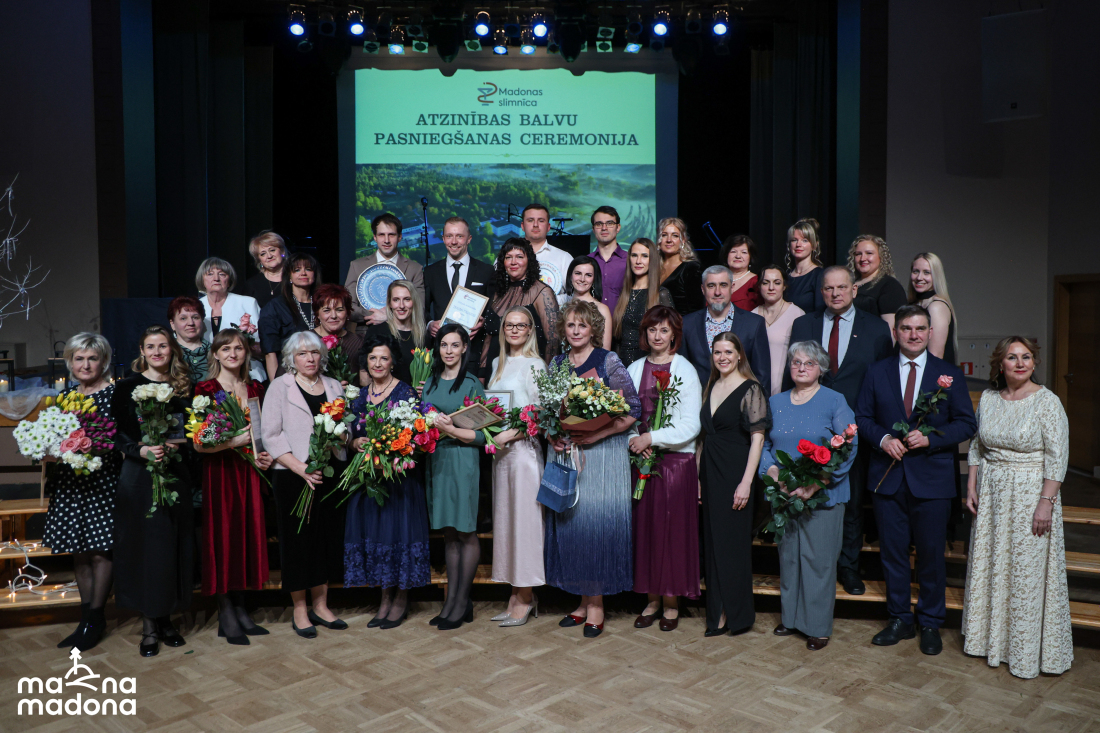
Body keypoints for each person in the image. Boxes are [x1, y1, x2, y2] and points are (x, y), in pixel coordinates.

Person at [855, 305, 975, 655]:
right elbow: (862, 417)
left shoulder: (948, 374)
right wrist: (883, 439)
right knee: (892, 554)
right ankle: (899, 619)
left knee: (931, 554)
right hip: (888, 477)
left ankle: (931, 622)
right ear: (896, 332)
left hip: (932, 479)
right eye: (906, 328)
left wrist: (931, 437)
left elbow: (966, 424)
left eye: (920, 328)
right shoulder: (877, 371)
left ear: (930, 333)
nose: (913, 334)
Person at [963, 337, 1072, 679]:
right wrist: (971, 485)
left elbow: (1058, 457)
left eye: (1026, 357)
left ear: (1034, 363)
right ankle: (989, 642)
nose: (1020, 363)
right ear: (1001, 364)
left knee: (1026, 572)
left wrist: (1045, 503)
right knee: (992, 566)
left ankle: (1024, 652)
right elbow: (977, 447)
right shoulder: (989, 399)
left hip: (1030, 495)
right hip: (992, 496)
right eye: (1012, 357)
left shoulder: (1047, 402)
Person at [786, 266, 893, 595]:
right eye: (829, 288)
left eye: (842, 287)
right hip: (807, 427)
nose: (835, 293)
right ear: (822, 292)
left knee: (850, 499)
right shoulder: (803, 325)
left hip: (852, 430)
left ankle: (848, 567)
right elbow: (794, 372)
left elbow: (883, 382)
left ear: (854, 290)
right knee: (806, 494)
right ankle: (809, 565)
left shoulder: (876, 329)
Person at [545, 300, 641, 638]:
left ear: (593, 330)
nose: (575, 331)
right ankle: (583, 601)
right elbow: (548, 411)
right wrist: (552, 435)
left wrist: (595, 434)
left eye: (582, 325)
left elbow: (632, 409)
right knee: (573, 527)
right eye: (570, 325)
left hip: (601, 457)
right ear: (563, 329)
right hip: (568, 454)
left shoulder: (607, 360)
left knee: (595, 528)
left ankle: (597, 604)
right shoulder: (557, 363)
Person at [761, 340, 858, 650]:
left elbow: (849, 444)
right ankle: (790, 619)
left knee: (818, 562)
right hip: (785, 493)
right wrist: (774, 475)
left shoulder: (834, 400)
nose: (801, 368)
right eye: (796, 362)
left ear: (821, 369)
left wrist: (817, 483)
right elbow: (764, 445)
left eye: (809, 363)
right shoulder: (775, 402)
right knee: (789, 558)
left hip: (823, 494)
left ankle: (816, 627)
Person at [111, 325, 194, 658]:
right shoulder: (127, 386)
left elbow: (191, 430)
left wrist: (179, 445)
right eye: (151, 346)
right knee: (146, 549)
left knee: (170, 546)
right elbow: (117, 433)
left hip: (174, 475)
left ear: (172, 350)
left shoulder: (182, 386)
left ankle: (167, 619)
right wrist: (141, 451)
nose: (157, 352)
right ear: (142, 352)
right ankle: (149, 625)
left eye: (163, 346)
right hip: (139, 476)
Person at [261, 330, 349, 638]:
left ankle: (321, 605)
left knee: (324, 539)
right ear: (291, 358)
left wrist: (343, 434)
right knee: (297, 542)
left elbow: (345, 428)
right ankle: (300, 609)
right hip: (293, 476)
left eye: (314, 352)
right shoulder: (279, 386)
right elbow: (271, 435)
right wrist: (302, 469)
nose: (309, 359)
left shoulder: (334, 385)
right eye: (302, 354)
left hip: (329, 472)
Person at [192, 329, 274, 645]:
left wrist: (262, 455)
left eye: (238, 348)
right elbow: (198, 444)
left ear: (245, 353)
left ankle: (241, 608)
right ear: (215, 354)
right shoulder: (206, 389)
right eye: (225, 349)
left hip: (249, 472)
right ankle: (225, 611)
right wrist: (234, 442)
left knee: (245, 537)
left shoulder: (254, 388)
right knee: (224, 538)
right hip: (221, 473)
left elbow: (260, 434)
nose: (232, 354)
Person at [345, 332, 429, 629]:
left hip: (398, 480)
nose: (378, 363)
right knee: (377, 537)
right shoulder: (358, 396)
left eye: (384, 358)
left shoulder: (406, 392)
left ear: (393, 362)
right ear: (366, 362)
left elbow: (416, 437)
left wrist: (395, 450)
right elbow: (350, 436)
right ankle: (383, 598)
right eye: (373, 358)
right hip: (369, 479)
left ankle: (401, 598)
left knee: (398, 536)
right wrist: (354, 443)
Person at [43, 333, 121, 652]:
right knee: (79, 550)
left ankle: (96, 619)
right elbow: (53, 437)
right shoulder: (64, 397)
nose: (85, 365)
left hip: (102, 481)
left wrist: (92, 449)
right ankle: (84, 618)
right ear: (70, 363)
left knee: (100, 550)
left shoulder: (114, 395)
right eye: (79, 358)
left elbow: (120, 440)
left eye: (92, 358)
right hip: (69, 483)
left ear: (103, 362)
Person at [626, 305, 702, 632]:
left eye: (664, 330)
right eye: (652, 330)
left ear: (674, 335)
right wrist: (634, 439)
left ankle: (671, 602)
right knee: (647, 534)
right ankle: (652, 599)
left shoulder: (685, 370)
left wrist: (651, 438)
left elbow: (692, 425)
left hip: (674, 465)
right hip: (641, 462)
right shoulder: (634, 368)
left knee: (671, 535)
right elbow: (624, 414)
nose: (657, 336)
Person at [699, 332, 770, 636]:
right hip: (711, 473)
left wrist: (746, 482)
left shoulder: (751, 388)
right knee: (713, 543)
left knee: (733, 546)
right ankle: (717, 613)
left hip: (736, 473)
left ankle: (736, 614)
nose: (723, 357)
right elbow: (704, 438)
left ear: (739, 354)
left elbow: (758, 440)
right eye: (718, 352)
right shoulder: (711, 385)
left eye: (728, 351)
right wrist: (699, 478)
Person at [423, 324, 487, 630]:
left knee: (465, 531)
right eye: (443, 345)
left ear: (464, 348)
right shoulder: (430, 381)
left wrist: (450, 429)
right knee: (448, 532)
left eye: (454, 345)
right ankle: (451, 601)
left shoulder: (472, 384)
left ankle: (462, 601)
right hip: (437, 460)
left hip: (463, 459)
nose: (448, 350)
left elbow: (483, 435)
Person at [487, 307, 547, 626]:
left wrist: (509, 435)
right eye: (508, 325)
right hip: (501, 456)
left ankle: (525, 597)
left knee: (524, 526)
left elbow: (540, 414)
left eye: (520, 325)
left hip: (523, 453)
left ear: (529, 330)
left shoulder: (536, 364)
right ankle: (514, 595)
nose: (513, 330)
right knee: (508, 524)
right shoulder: (497, 362)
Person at [681, 265, 772, 394]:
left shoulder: (754, 323)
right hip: (699, 402)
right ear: (703, 289)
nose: (717, 292)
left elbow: (762, 375)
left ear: (732, 287)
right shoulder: (687, 324)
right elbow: (682, 373)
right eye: (711, 286)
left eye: (723, 285)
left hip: (740, 402)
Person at [478, 238, 559, 378]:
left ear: (529, 261)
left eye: (519, 257)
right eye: (508, 257)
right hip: (495, 370)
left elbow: (553, 341)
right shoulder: (497, 292)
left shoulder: (542, 292)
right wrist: (482, 374)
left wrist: (547, 379)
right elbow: (488, 338)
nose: (513, 262)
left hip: (528, 373)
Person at [422, 216, 494, 369]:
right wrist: (429, 325)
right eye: (449, 236)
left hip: (474, 354)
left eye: (459, 236)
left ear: (469, 239)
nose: (454, 241)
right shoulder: (430, 272)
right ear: (443, 239)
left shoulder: (486, 271)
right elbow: (422, 309)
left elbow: (494, 309)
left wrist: (484, 322)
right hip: (441, 355)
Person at [345, 213, 425, 331]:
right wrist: (375, 315)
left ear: (399, 237)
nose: (386, 240)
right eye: (381, 235)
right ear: (375, 237)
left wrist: (389, 316)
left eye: (391, 235)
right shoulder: (357, 266)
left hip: (402, 334)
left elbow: (420, 308)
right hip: (366, 334)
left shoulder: (415, 269)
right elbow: (348, 307)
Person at [197, 257, 265, 382]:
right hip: (205, 373)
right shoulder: (195, 307)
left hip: (248, 373)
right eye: (210, 274)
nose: (216, 278)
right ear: (202, 280)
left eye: (222, 274)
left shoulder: (248, 303)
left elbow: (263, 344)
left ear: (229, 281)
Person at [259, 252, 321, 381]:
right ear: (289, 276)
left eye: (308, 269)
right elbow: (270, 353)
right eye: (297, 270)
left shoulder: (322, 304)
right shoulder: (274, 307)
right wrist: (276, 386)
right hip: (288, 374)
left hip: (321, 372)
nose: (303, 273)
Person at [611, 238, 673, 367]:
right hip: (622, 367)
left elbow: (672, 337)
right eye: (634, 255)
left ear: (652, 260)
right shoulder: (624, 294)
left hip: (649, 366)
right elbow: (618, 340)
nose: (638, 261)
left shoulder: (661, 294)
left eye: (644, 256)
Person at [752, 267, 804, 396]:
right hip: (756, 388)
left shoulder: (797, 314)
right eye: (765, 283)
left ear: (784, 286)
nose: (771, 288)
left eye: (777, 282)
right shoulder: (751, 315)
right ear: (759, 286)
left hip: (787, 387)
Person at [365, 279, 428, 387]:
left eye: (407, 299)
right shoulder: (376, 331)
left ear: (414, 302)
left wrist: (427, 386)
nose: (401, 305)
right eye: (396, 300)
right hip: (384, 396)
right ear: (389, 303)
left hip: (416, 396)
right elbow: (365, 376)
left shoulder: (424, 335)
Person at [908, 252, 958, 364]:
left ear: (936, 276)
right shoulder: (915, 303)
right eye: (916, 271)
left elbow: (935, 358)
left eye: (927, 272)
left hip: (932, 373)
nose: (919, 277)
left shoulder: (936, 306)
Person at [848, 235, 906, 332]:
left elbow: (890, 330)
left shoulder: (890, 286)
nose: (863, 258)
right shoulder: (849, 283)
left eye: (869, 253)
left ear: (881, 257)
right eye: (858, 254)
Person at [313, 283, 363, 387]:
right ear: (317, 314)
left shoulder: (359, 342)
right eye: (327, 310)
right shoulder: (305, 341)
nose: (333, 316)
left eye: (339, 310)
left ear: (347, 313)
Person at [520, 203, 573, 296]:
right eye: (530, 220)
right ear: (523, 226)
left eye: (541, 221)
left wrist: (549, 301)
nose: (535, 225)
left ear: (548, 227)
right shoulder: (507, 257)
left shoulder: (564, 258)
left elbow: (574, 295)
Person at [561, 255, 612, 349]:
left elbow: (606, 351)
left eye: (588, 275)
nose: (582, 279)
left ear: (594, 279)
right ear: (570, 276)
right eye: (578, 273)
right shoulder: (563, 307)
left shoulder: (602, 309)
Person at [657, 217, 704, 314]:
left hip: (683, 322)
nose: (669, 240)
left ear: (683, 240)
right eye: (664, 235)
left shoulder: (691, 268)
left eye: (675, 235)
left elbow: (697, 309)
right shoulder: (653, 267)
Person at [587, 205, 628, 312]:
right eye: (599, 224)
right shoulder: (586, 262)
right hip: (592, 321)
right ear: (593, 229)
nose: (604, 228)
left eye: (609, 223)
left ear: (618, 227)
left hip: (622, 322)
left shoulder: (630, 261)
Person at [784, 218, 826, 313]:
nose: (798, 244)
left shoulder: (819, 275)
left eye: (805, 240)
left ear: (814, 245)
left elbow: (820, 312)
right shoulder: (785, 277)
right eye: (794, 240)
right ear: (789, 245)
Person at [168, 296, 209, 383]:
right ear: (172, 324)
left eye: (195, 317)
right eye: (183, 318)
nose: (191, 323)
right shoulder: (167, 352)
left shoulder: (215, 351)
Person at [242, 230, 288, 308]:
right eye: (263, 254)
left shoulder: (296, 279)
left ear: (282, 251)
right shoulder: (252, 284)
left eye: (272, 250)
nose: (269, 256)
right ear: (259, 260)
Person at [720, 235, 761, 311]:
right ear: (726, 255)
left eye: (744, 252)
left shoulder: (757, 282)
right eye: (733, 251)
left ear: (750, 257)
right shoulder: (716, 280)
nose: (738, 256)